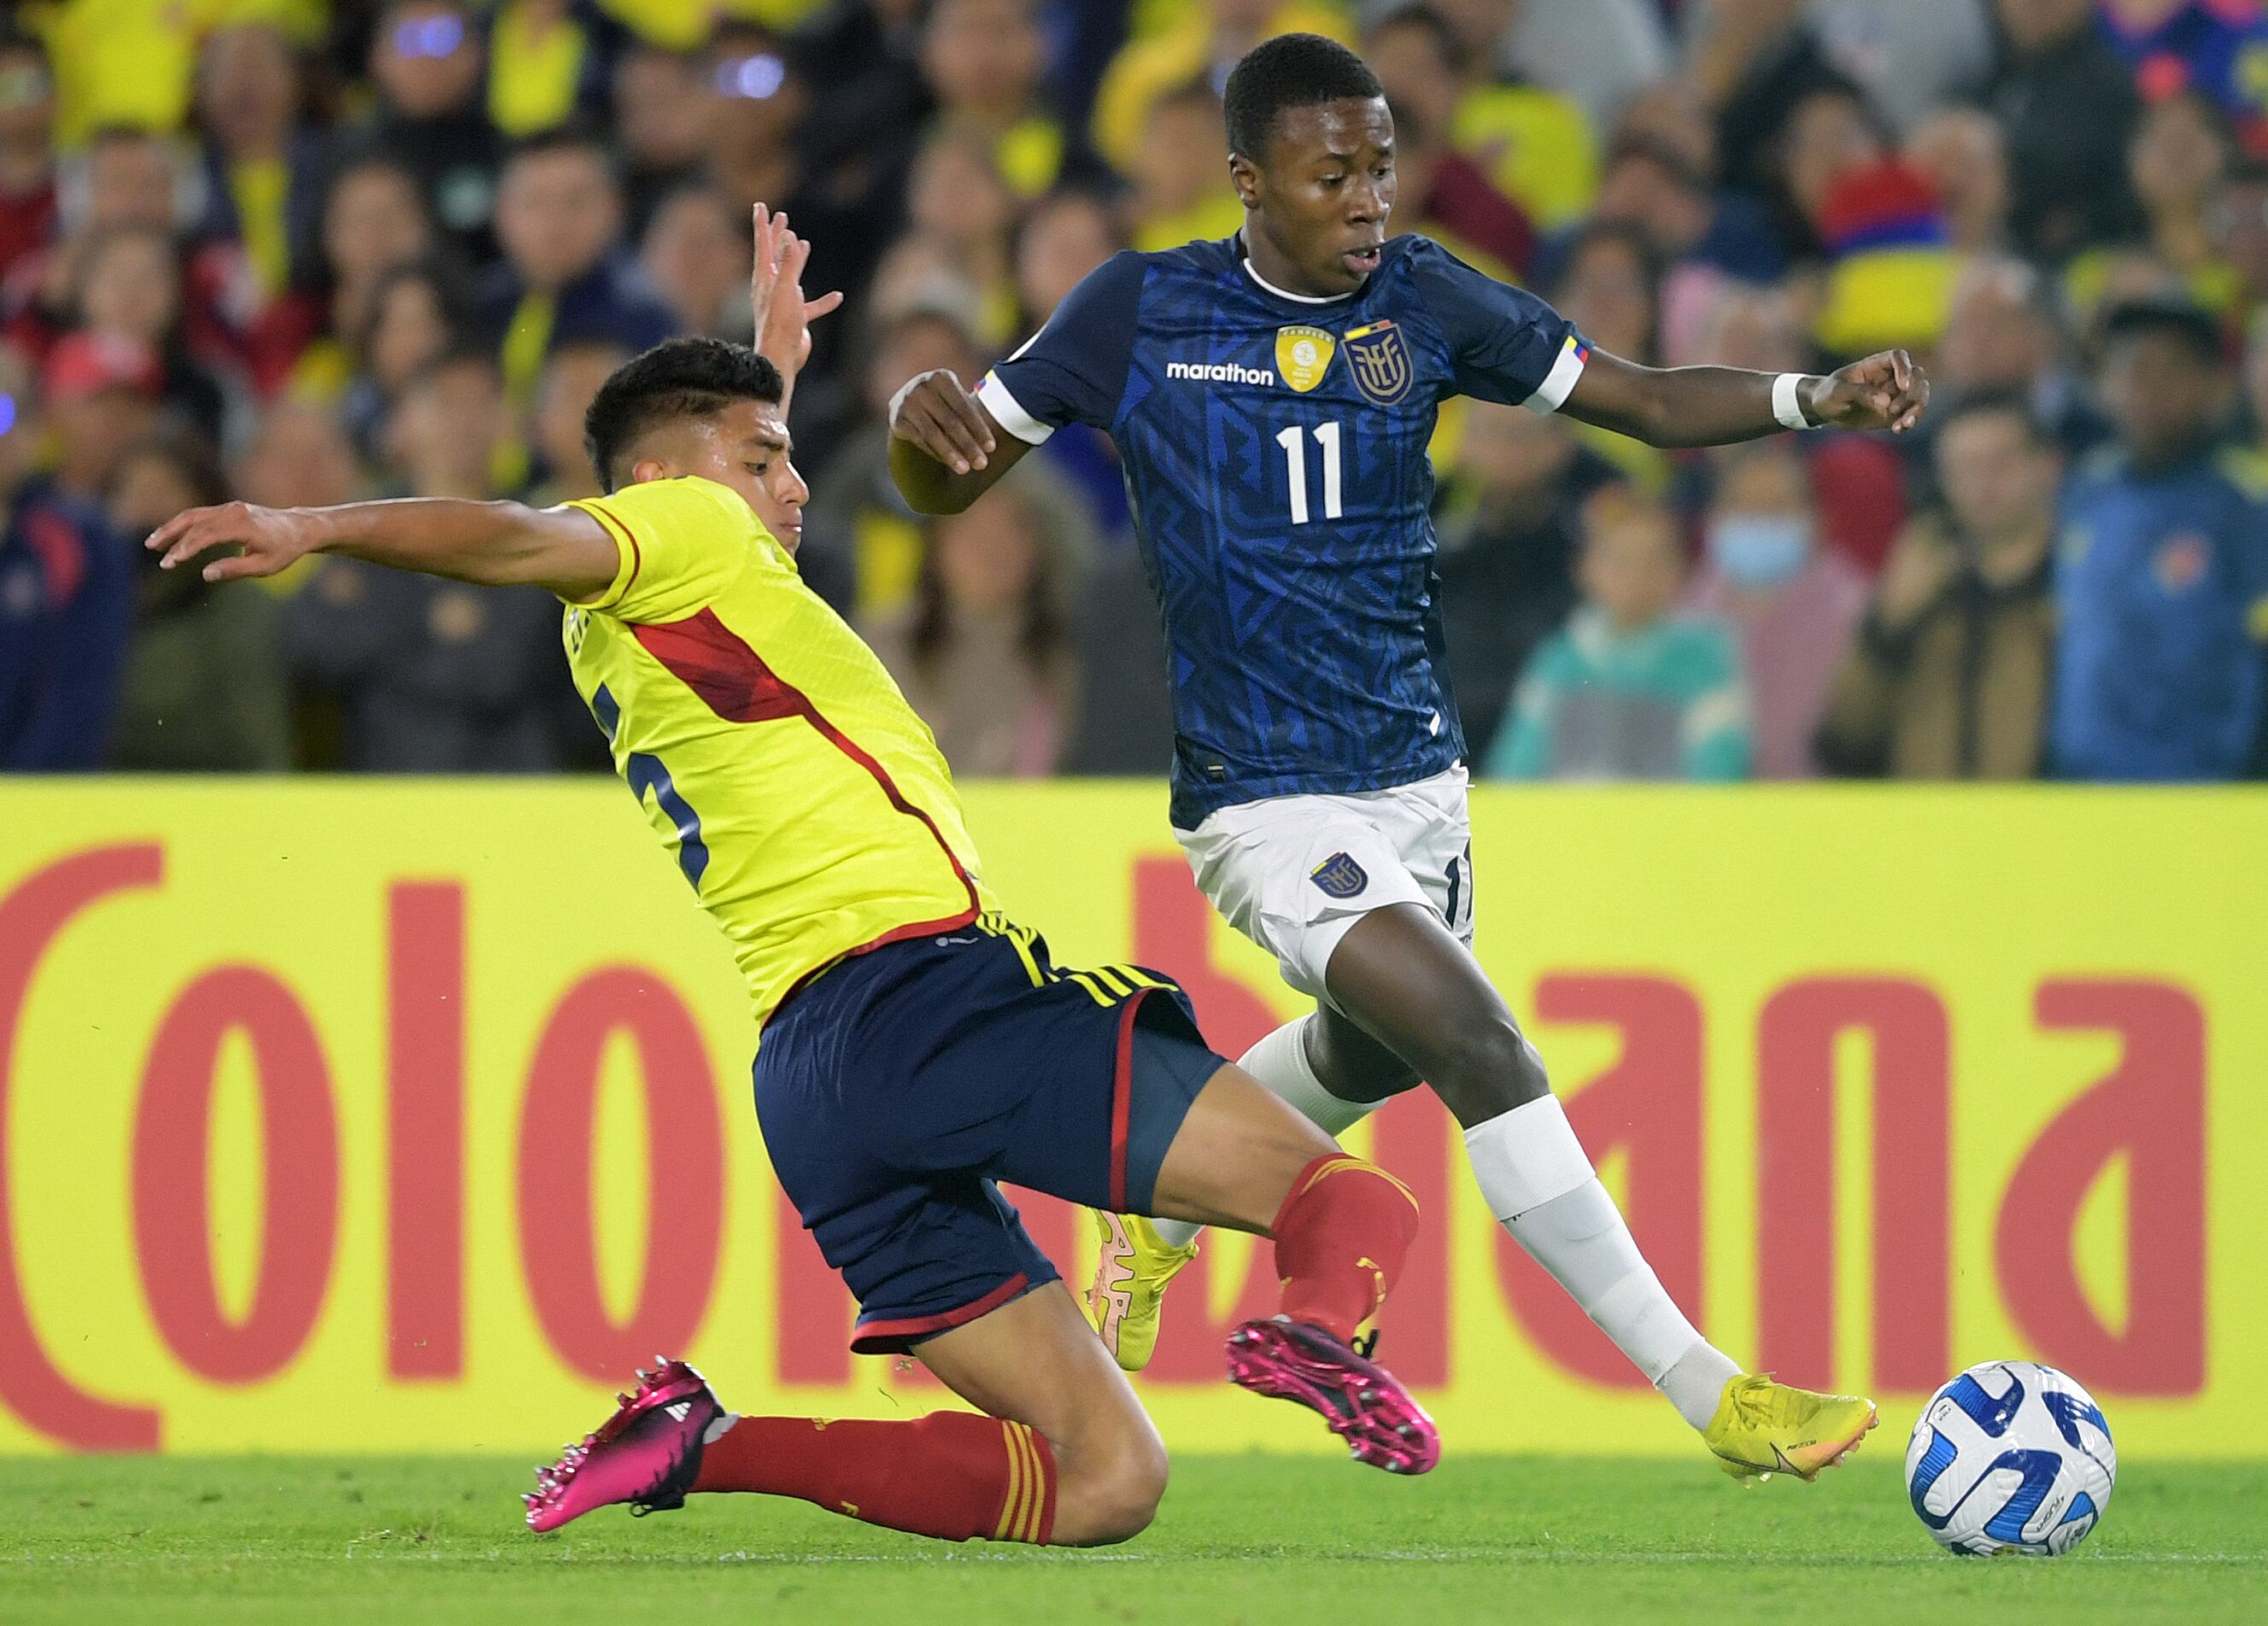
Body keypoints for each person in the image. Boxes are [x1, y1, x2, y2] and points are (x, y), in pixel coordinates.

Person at [146, 210, 1442, 1551]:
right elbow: (515, 530)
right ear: (662, 480)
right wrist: (314, 522)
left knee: (1106, 1481)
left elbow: (665, 509)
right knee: (1346, 1200)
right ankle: (1308, 1335)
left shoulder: (659, 606)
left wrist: (768, 357)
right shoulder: (680, 530)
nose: (798, 482)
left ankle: (698, 1443)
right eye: (765, 458)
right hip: (923, 993)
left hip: (817, 1082)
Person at [888, 32, 1916, 1482]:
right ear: (1248, 182)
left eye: (1380, 163)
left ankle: (1159, 1207)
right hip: (1264, 794)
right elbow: (947, 475)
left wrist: (1807, 399)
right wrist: (907, 431)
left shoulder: (1425, 298)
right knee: (1477, 1038)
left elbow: (1631, 397)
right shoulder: (1139, 311)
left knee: (1364, 1050)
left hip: (1416, 781)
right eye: (1333, 173)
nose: (1369, 196)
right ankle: (1717, 1394)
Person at [2052, 295, 2268, 781]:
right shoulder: (2086, 490)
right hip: (2077, 792)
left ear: (2215, 387)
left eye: (2172, 372)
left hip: (2206, 797)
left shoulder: (2249, 504)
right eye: (2132, 371)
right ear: (2105, 385)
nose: (2149, 389)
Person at [1814, 392, 2060, 779]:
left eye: (2000, 463)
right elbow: (1843, 743)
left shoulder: (2081, 586)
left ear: (2047, 467)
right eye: (1963, 468)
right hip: (1927, 829)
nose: (1983, 485)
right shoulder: (1919, 581)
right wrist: (1888, 625)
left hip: (2058, 829)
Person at [1482, 487, 1750, 782]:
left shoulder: (1705, 657)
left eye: (1655, 560)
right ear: (1585, 568)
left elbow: (1720, 767)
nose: (1638, 575)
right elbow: (1516, 765)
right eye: (1621, 560)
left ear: (1681, 569)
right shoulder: (1559, 657)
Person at [1685, 439, 1868, 780]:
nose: (1761, 523)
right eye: (1747, 509)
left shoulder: (1857, 611)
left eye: (1778, 508)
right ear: (1715, 518)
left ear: (1817, 520)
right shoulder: (1687, 613)